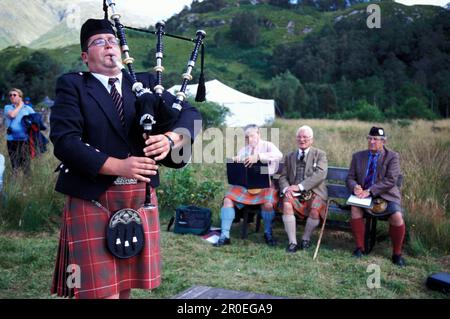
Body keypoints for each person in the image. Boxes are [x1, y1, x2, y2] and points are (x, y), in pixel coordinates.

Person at [50, 18, 201, 299]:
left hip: (138, 197)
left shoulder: (143, 82)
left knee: (122, 288)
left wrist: (171, 140)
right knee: (99, 293)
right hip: (92, 197)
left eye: (113, 40)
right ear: (85, 56)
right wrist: (117, 165)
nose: (108, 45)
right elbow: (65, 141)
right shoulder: (73, 85)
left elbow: (191, 115)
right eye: (98, 42)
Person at [214, 124, 283, 247]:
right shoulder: (244, 150)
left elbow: (279, 155)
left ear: (258, 134)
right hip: (246, 185)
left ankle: (268, 233)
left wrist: (258, 157)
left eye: (252, 136)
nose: (249, 139)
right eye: (247, 137)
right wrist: (236, 161)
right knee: (228, 199)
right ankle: (225, 235)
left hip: (265, 183)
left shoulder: (268, 145)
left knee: (267, 204)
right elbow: (240, 167)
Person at [346, 126, 406, 266]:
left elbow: (391, 180)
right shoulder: (358, 156)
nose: (372, 141)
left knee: (397, 216)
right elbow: (350, 177)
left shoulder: (392, 157)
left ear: (383, 141)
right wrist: (354, 186)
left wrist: (371, 191)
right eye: (370, 138)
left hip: (386, 196)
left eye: (376, 139)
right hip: (363, 196)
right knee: (355, 208)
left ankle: (397, 254)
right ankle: (359, 248)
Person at [279, 125, 328, 253]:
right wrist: (286, 189)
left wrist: (300, 186)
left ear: (311, 140)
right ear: (296, 139)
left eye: (305, 137)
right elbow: (283, 176)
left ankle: (305, 238)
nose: (302, 139)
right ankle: (292, 242)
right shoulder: (290, 156)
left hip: (314, 193)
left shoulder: (320, 155)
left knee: (315, 210)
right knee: (287, 204)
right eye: (299, 137)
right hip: (294, 193)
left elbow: (320, 174)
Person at [3, 88, 35, 173]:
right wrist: (20, 106)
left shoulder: (28, 108)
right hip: (11, 140)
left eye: (14, 95)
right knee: (15, 165)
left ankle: (26, 185)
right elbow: (12, 115)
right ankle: (16, 183)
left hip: (25, 140)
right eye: (10, 95)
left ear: (20, 97)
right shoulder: (7, 107)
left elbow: (36, 121)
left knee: (26, 166)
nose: (12, 96)